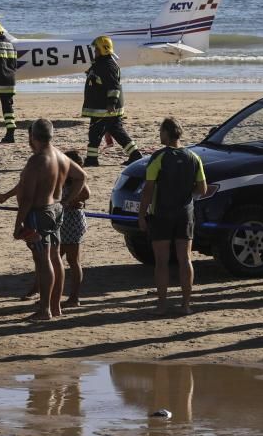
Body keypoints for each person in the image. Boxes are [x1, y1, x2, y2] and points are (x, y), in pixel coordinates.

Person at [14, 118, 86, 321]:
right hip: (56, 210)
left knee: (43, 259)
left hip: (40, 212)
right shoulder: (61, 156)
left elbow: (27, 197)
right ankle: (55, 307)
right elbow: (81, 177)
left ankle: (45, 309)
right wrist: (65, 201)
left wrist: (19, 222)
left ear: (32, 137)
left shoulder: (38, 159)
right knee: (54, 258)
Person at [137, 117, 207, 316]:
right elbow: (201, 188)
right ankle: (185, 304)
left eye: (161, 131)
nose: (160, 135)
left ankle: (161, 304)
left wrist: (141, 215)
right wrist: (185, 192)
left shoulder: (159, 157)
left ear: (167, 133)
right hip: (185, 213)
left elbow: (148, 191)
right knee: (185, 259)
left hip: (162, 213)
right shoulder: (194, 157)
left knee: (162, 261)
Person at [81, 36, 142, 167]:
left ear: (103, 50)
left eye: (96, 49)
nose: (95, 52)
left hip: (105, 109)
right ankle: (135, 155)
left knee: (95, 134)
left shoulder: (107, 66)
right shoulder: (101, 64)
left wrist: (111, 103)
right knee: (117, 132)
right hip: (104, 108)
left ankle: (92, 160)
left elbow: (113, 87)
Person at [59, 151, 90, 308]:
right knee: (56, 258)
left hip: (72, 222)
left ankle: (74, 297)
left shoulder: (77, 180)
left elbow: (86, 194)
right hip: (62, 222)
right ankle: (51, 294)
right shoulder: (63, 178)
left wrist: (70, 201)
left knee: (72, 260)